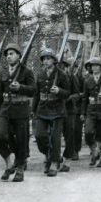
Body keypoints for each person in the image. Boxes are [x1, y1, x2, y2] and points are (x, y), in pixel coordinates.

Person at [0, 42, 35, 183]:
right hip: (5, 108)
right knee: (0, 136)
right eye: (7, 54)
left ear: (19, 56)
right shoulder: (3, 71)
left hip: (20, 108)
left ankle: (20, 168)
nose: (9, 56)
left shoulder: (26, 71)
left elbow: (33, 90)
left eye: (12, 54)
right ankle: (9, 162)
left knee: (21, 140)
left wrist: (20, 87)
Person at [33, 48, 70, 176]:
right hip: (42, 109)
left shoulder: (61, 75)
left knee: (55, 138)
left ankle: (54, 162)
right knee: (39, 135)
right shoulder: (40, 75)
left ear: (54, 60)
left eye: (48, 58)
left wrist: (59, 91)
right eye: (44, 59)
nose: (46, 61)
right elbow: (37, 94)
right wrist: (34, 109)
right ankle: (49, 153)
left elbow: (67, 93)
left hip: (57, 109)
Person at [81, 56, 101, 168]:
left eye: (96, 66)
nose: (94, 68)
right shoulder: (88, 80)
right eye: (92, 66)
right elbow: (85, 98)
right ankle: (95, 150)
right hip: (91, 110)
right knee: (88, 132)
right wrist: (82, 113)